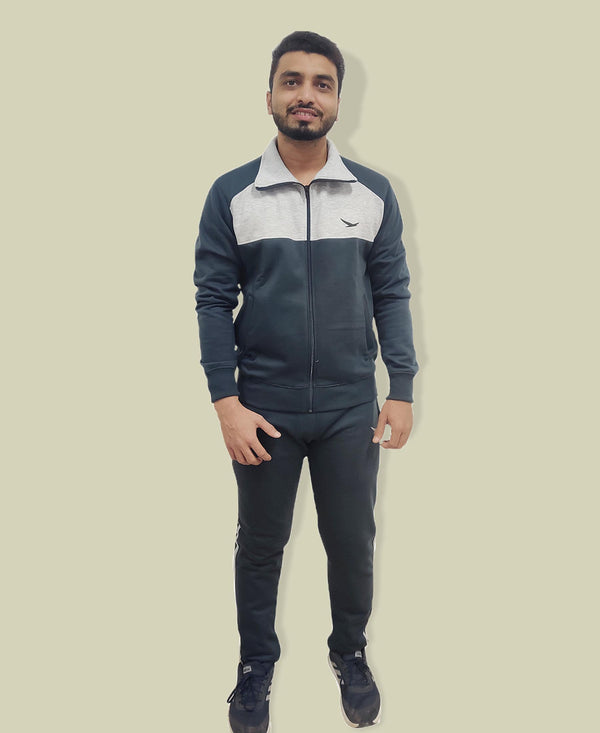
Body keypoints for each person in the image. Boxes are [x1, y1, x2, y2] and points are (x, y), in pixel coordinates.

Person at [193, 30, 418, 732]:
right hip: (265, 408)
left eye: (322, 84)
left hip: (351, 408)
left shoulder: (373, 193)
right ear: (269, 95)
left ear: (339, 101)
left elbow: (392, 292)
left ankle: (349, 652)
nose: (306, 95)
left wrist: (402, 385)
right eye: (292, 81)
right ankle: (254, 664)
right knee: (261, 545)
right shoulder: (232, 194)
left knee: (352, 542)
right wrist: (226, 402)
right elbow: (211, 299)